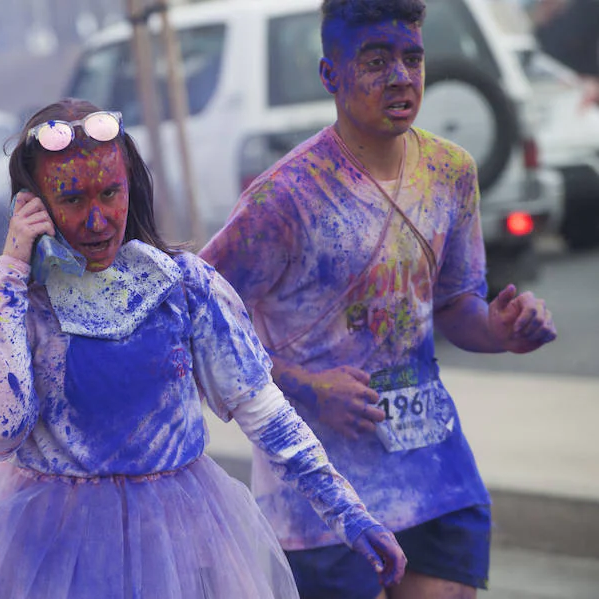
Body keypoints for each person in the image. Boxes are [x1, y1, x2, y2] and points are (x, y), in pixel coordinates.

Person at [0, 97, 407, 599]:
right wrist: (13, 267)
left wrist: (347, 511)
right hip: (54, 561)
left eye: (110, 193)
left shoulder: (180, 285)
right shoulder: (11, 299)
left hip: (179, 551)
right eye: (73, 199)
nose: (98, 219)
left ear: (132, 188)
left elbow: (262, 409)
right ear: (31, 205)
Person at [199, 1, 558, 598]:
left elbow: (454, 305)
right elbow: (201, 326)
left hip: (435, 477)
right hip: (321, 499)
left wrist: (501, 330)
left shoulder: (451, 172)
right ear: (330, 74)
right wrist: (307, 385)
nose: (400, 76)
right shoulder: (282, 201)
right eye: (375, 60)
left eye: (411, 58)